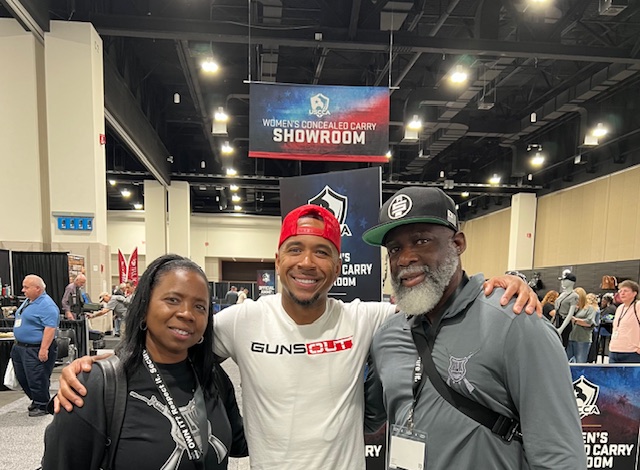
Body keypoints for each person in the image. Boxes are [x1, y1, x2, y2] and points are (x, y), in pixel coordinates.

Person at [55, 204, 539, 470]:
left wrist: (503, 284)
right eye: (296, 250)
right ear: (278, 259)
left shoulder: (367, 318)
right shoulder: (240, 321)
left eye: (322, 252)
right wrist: (98, 367)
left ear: (338, 265)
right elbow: (171, 345)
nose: (308, 263)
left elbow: (437, 293)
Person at [362, 187, 586, 469]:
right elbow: (366, 418)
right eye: (395, 249)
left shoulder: (515, 323)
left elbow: (560, 457)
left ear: (457, 243)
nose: (405, 258)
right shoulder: (387, 335)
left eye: (421, 240)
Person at [41, 254, 248, 469]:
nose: (187, 314)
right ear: (144, 308)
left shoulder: (212, 377)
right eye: (173, 300)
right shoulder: (96, 385)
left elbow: (242, 442)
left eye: (200, 307)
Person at [11, 275, 60, 417]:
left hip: (36, 347)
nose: (23, 290)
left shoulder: (47, 305)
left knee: (37, 377)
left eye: (26, 287)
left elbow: (50, 328)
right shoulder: (29, 301)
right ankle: (36, 399)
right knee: (23, 377)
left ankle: (42, 404)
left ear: (37, 288)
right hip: (20, 347)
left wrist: (44, 349)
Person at [608, 280, 640, 363]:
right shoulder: (620, 308)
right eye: (620, 291)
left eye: (625, 291)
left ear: (634, 293)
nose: (622, 293)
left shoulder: (637, 306)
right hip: (614, 350)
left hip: (632, 352)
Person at [566, 288, 597, 363]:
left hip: (582, 339)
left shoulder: (590, 308)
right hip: (571, 338)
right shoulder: (574, 308)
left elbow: (589, 322)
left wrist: (575, 320)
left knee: (580, 362)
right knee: (568, 362)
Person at [554, 271, 578, 347]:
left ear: (571, 282)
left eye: (564, 280)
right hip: (556, 320)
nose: (562, 282)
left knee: (561, 345)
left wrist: (561, 328)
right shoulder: (562, 294)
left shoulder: (574, 296)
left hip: (564, 322)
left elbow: (570, 314)